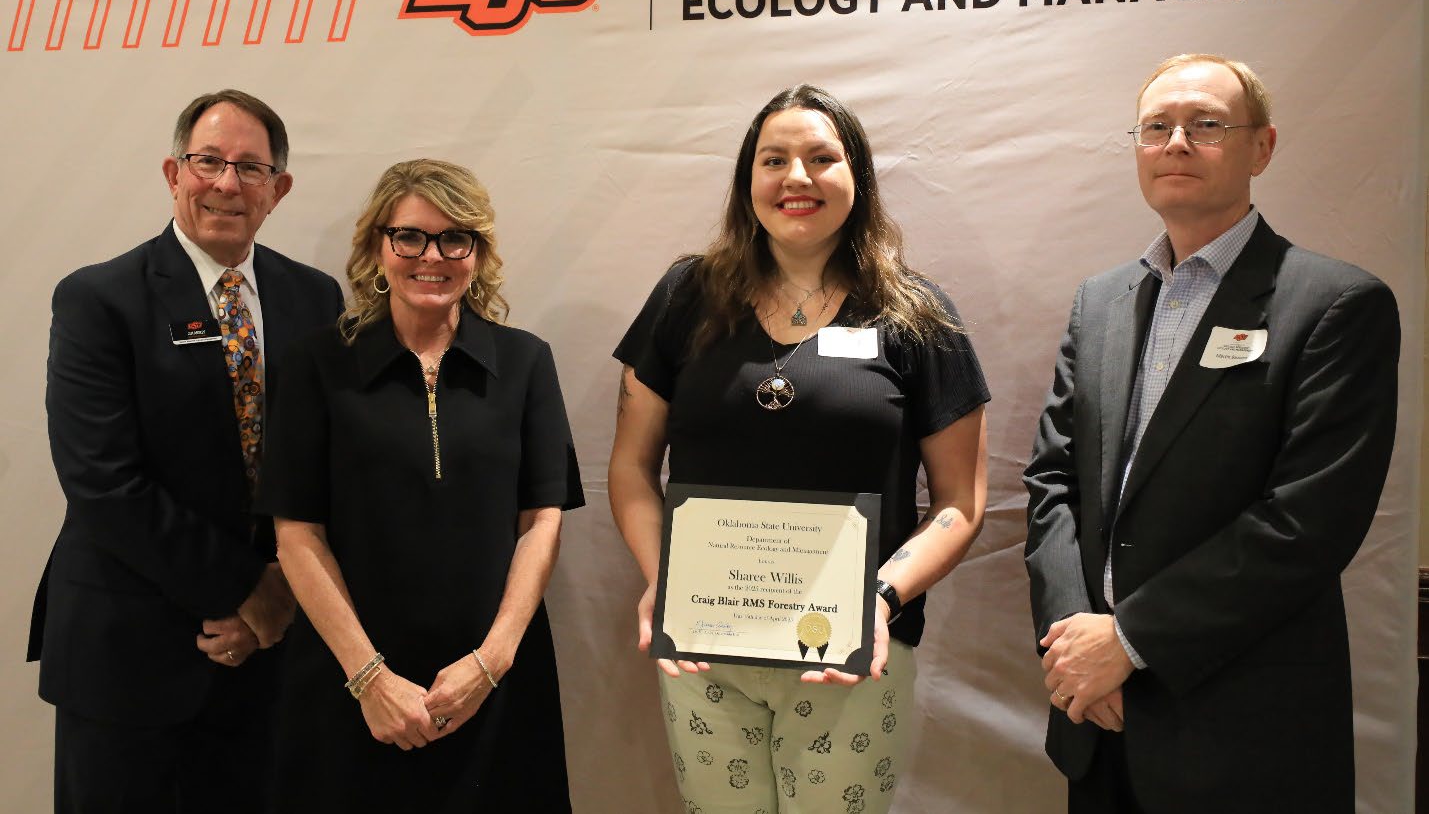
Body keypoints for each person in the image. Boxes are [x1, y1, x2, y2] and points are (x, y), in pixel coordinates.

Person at [1023, 54, 1399, 813]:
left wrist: (1126, 643)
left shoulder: (1335, 305)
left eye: (1205, 125)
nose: (1176, 144)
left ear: (1259, 147)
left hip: (1239, 732)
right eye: (1156, 127)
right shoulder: (1100, 302)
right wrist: (1076, 647)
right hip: (1097, 720)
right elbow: (1051, 483)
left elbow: (1306, 523)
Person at [610, 84, 989, 813]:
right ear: (746, 179)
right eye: (773, 159)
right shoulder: (684, 295)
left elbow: (960, 504)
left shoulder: (917, 315)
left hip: (851, 653)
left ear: (858, 176)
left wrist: (876, 602)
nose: (796, 178)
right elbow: (629, 467)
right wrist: (664, 580)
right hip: (704, 641)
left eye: (822, 158)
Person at [27, 89, 343, 813]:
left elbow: (328, 466)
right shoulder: (99, 300)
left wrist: (285, 597)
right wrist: (247, 590)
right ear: (174, 174)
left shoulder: (314, 299)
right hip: (128, 657)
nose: (227, 184)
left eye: (249, 168)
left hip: (268, 658)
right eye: (208, 162)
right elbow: (104, 484)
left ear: (279, 188)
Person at [256, 158, 583, 812]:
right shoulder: (315, 364)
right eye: (409, 236)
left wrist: (490, 663)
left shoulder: (524, 363)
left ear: (477, 252)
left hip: (493, 685)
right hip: (349, 685)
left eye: (453, 238)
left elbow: (541, 521)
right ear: (377, 246)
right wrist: (370, 679)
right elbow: (296, 535)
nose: (430, 256)